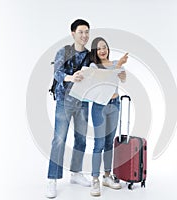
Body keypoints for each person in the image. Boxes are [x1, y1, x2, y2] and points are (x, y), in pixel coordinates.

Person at [46, 19, 91, 198]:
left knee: (81, 139)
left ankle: (76, 173)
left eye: (87, 32)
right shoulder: (64, 51)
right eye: (81, 32)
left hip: (83, 101)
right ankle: (52, 179)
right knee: (59, 140)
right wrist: (71, 77)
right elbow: (57, 72)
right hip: (65, 101)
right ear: (73, 33)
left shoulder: (90, 55)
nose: (84, 35)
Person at [88, 37, 128, 196]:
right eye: (99, 49)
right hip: (99, 107)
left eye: (104, 47)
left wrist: (121, 71)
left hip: (115, 105)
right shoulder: (93, 66)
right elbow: (103, 78)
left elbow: (122, 79)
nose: (102, 50)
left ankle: (106, 176)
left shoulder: (115, 64)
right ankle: (95, 179)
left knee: (109, 143)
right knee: (98, 144)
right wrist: (118, 66)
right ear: (95, 52)